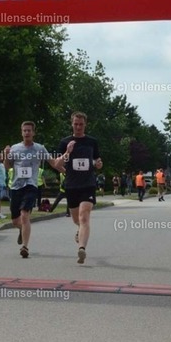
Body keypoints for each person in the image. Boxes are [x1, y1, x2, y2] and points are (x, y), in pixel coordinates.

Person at [4, 121, 63, 258]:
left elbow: (53, 163)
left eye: (29, 130)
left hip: (31, 186)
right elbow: (7, 167)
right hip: (16, 186)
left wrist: (66, 163)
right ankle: (21, 229)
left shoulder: (39, 148)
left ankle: (25, 247)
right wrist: (6, 155)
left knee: (25, 215)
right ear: (21, 132)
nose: (27, 133)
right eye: (24, 130)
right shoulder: (15, 148)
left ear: (33, 132)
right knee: (15, 221)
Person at [56, 111, 103, 264]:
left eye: (81, 124)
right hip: (71, 186)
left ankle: (81, 248)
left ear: (85, 124)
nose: (78, 127)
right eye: (76, 124)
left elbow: (97, 161)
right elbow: (57, 164)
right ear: (72, 124)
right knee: (77, 219)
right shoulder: (65, 142)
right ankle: (80, 230)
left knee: (84, 216)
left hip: (88, 184)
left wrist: (98, 164)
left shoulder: (92, 142)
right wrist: (67, 152)